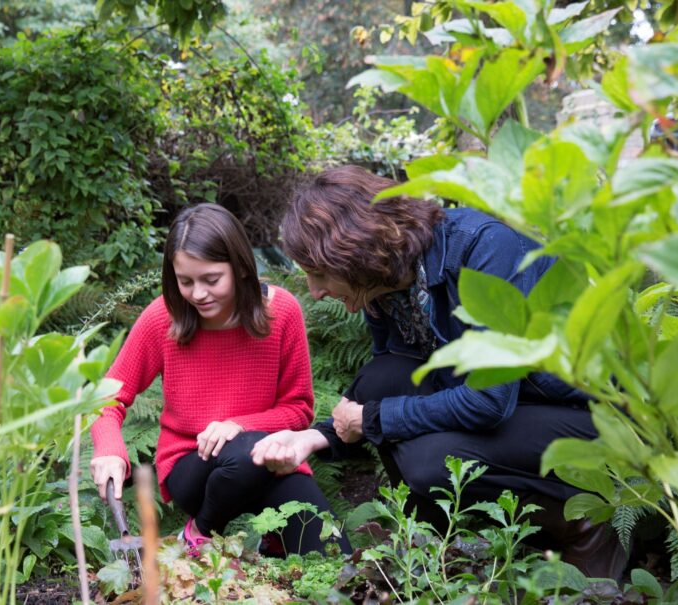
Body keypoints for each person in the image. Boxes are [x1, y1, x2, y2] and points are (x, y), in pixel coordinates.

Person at [249, 165, 627, 579]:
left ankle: (582, 523)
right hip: (511, 406)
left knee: (430, 463)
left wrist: (374, 419)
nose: (315, 290)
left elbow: (489, 400)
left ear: (356, 253)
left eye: (319, 274)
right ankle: (432, 546)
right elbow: (384, 387)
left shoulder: (483, 248)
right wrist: (314, 436)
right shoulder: (385, 288)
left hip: (585, 414)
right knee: (380, 380)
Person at [90, 203, 350, 556]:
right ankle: (198, 533)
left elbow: (299, 410)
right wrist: (109, 450)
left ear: (241, 267)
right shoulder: (161, 318)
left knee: (333, 555)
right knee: (244, 454)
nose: (198, 294)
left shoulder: (282, 312)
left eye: (211, 280)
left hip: (267, 461)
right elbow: (108, 398)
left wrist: (238, 425)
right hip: (191, 464)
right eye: (185, 281)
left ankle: (272, 545)